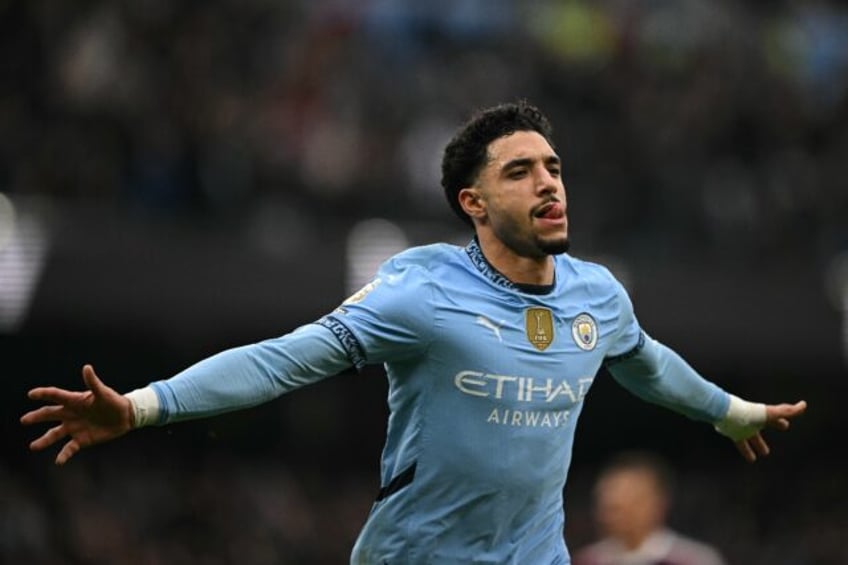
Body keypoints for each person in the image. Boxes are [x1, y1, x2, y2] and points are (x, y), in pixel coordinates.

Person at [21, 101, 806, 564]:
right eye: (520, 172)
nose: (549, 184)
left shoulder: (598, 294)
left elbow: (645, 363)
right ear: (473, 202)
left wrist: (729, 410)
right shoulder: (421, 290)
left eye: (554, 167)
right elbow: (285, 360)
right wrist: (144, 405)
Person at [573, 451, 726, 565]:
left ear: (657, 503)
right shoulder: (587, 560)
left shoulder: (693, 560)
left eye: (628, 503)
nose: (610, 514)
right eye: (608, 505)